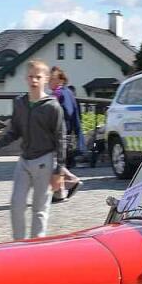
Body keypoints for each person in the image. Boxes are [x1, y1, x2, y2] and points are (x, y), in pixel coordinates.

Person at [0, 60, 73, 240]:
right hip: (25, 160)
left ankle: (37, 248)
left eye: (38, 77)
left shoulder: (53, 106)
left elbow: (60, 138)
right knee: (16, 204)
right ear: (26, 79)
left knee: (40, 209)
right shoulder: (20, 103)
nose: (34, 80)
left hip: (45, 161)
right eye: (31, 77)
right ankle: (18, 245)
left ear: (45, 79)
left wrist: (59, 170)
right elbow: (14, 131)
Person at [49, 67, 83, 202]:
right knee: (56, 164)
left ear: (61, 79)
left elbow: (67, 112)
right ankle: (61, 190)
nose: (49, 81)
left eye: (52, 78)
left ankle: (67, 185)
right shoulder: (66, 92)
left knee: (55, 163)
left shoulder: (61, 93)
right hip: (65, 134)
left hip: (62, 135)